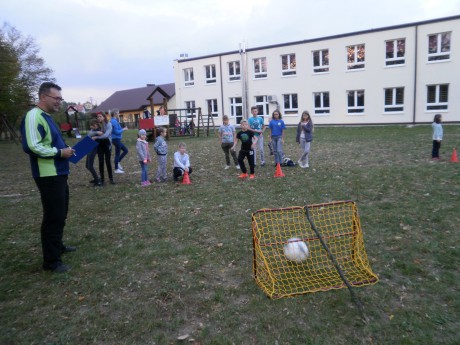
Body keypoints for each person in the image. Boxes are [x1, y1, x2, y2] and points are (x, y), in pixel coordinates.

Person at [20, 82, 76, 273]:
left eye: (60, 98)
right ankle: (51, 262)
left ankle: (57, 246)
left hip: (59, 173)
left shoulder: (47, 117)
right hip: (48, 175)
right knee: (53, 216)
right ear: (43, 97)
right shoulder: (33, 116)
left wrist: (67, 150)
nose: (59, 102)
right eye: (56, 98)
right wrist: (60, 152)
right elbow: (32, 146)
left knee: (61, 212)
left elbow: (51, 142)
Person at [93, 112, 114, 185]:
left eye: (100, 116)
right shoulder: (98, 125)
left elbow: (106, 135)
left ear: (104, 117)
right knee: (100, 161)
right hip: (100, 144)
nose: (98, 118)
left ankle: (111, 179)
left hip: (107, 144)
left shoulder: (109, 124)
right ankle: (102, 179)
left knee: (108, 161)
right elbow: (92, 132)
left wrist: (96, 137)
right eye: (97, 117)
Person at [110, 109, 129, 174]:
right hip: (115, 139)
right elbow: (116, 132)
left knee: (125, 150)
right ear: (115, 114)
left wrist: (124, 128)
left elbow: (118, 129)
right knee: (118, 153)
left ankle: (117, 162)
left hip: (117, 139)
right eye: (118, 113)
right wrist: (123, 129)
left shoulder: (115, 121)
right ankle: (116, 168)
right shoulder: (113, 121)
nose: (119, 114)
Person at [86, 119, 102, 187]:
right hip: (89, 149)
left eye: (93, 125)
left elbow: (102, 134)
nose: (91, 127)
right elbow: (89, 134)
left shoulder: (99, 130)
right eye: (91, 125)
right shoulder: (94, 131)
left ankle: (98, 181)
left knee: (90, 166)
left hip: (93, 149)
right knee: (87, 166)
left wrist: (97, 132)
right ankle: (96, 178)